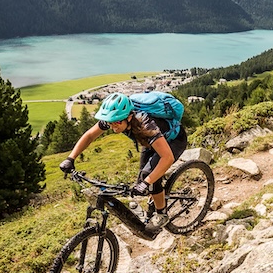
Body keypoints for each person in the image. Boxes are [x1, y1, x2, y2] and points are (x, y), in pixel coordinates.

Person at [58, 92, 187, 224]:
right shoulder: (115, 119)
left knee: (149, 178)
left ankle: (162, 214)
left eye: (117, 122)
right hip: (150, 142)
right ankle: (153, 199)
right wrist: (71, 158)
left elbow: (167, 158)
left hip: (174, 140)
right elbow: (90, 135)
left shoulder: (146, 124)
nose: (113, 127)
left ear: (129, 117)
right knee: (144, 180)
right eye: (110, 123)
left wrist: (147, 182)